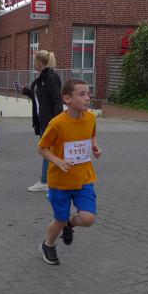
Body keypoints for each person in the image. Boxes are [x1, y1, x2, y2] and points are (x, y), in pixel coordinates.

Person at [37, 79, 102, 265]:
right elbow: (41, 148)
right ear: (67, 99)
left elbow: (92, 135)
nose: (87, 98)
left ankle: (70, 224)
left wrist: (96, 147)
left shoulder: (91, 118)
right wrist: (58, 161)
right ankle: (48, 245)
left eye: (88, 94)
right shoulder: (57, 124)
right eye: (82, 94)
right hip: (60, 182)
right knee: (59, 219)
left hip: (84, 178)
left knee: (88, 218)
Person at [22, 50, 62, 192]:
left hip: (50, 121)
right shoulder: (42, 78)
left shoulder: (50, 77)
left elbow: (56, 100)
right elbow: (39, 97)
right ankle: (48, 181)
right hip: (43, 120)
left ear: (39, 62)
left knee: (46, 151)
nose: (34, 63)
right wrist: (25, 91)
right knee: (47, 151)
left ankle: (46, 182)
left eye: (35, 61)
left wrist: (56, 122)